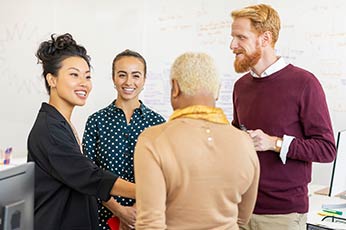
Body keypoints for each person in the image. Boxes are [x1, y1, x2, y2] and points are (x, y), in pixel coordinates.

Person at [230, 4, 337, 230]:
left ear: (265, 38)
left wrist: (275, 143)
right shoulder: (241, 87)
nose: (232, 45)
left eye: (241, 37)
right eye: (232, 37)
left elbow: (326, 149)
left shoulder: (305, 83)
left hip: (282, 215)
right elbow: (238, 137)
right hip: (239, 208)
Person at [134, 52, 260, 229]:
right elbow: (242, 218)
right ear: (217, 91)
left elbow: (150, 224)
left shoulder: (152, 140)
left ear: (175, 87)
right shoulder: (244, 142)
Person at [27, 33, 135, 230]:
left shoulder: (61, 123)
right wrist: (147, 191)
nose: (84, 83)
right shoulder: (50, 130)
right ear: (52, 79)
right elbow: (89, 176)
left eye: (87, 76)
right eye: (74, 75)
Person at [82, 49, 165, 230]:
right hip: (103, 219)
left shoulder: (158, 123)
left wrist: (134, 211)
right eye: (122, 75)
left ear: (144, 79)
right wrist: (119, 211)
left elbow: (163, 175)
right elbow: (88, 174)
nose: (129, 82)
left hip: (145, 218)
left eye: (136, 75)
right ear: (113, 78)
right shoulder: (96, 121)